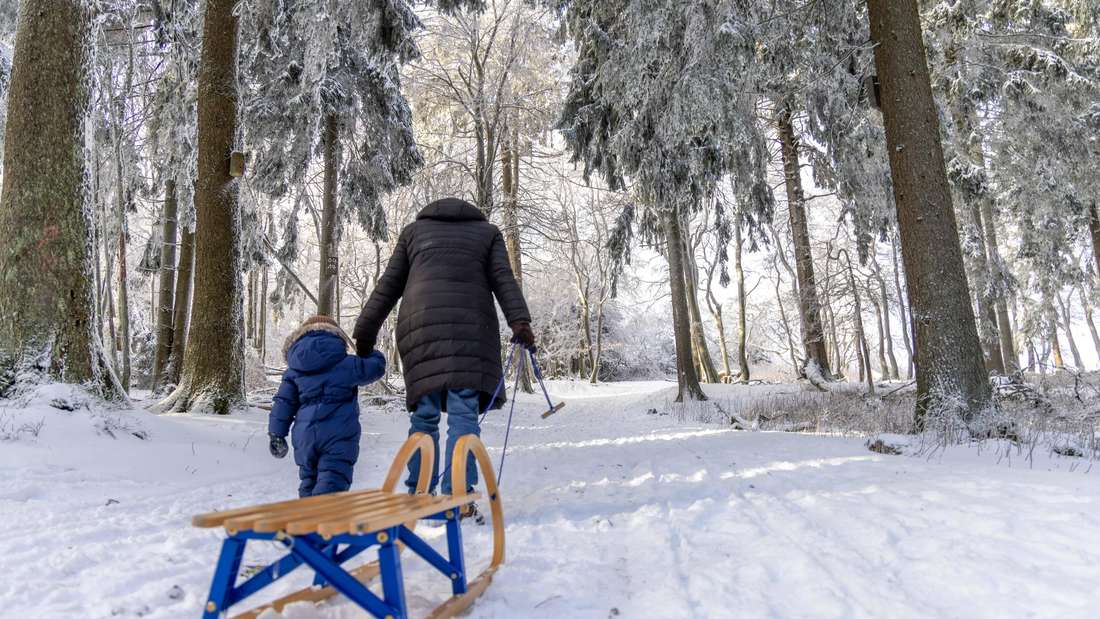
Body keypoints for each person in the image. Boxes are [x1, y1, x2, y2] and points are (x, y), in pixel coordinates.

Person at [353, 197, 536, 501]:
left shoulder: (413, 233)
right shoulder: (487, 234)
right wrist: (520, 322)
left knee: (423, 416)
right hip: (471, 330)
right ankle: (459, 494)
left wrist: (365, 331)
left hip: (420, 328)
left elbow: (389, 284)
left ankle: (419, 493)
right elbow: (504, 278)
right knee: (463, 414)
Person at [268, 315, 386, 497]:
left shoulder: (293, 371)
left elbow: (283, 403)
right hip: (338, 435)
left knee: (308, 480)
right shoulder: (346, 364)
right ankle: (323, 521)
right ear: (336, 335)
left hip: (305, 436)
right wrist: (372, 353)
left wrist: (276, 434)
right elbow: (375, 368)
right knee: (333, 480)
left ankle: (308, 521)